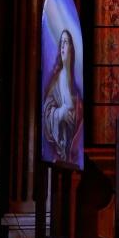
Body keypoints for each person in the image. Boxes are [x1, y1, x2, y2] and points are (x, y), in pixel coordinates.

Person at [42, 29, 83, 167]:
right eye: (61, 43)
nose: (62, 46)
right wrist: (61, 113)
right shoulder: (56, 82)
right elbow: (46, 113)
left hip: (73, 154)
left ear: (72, 47)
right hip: (58, 153)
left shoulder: (75, 86)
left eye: (66, 42)